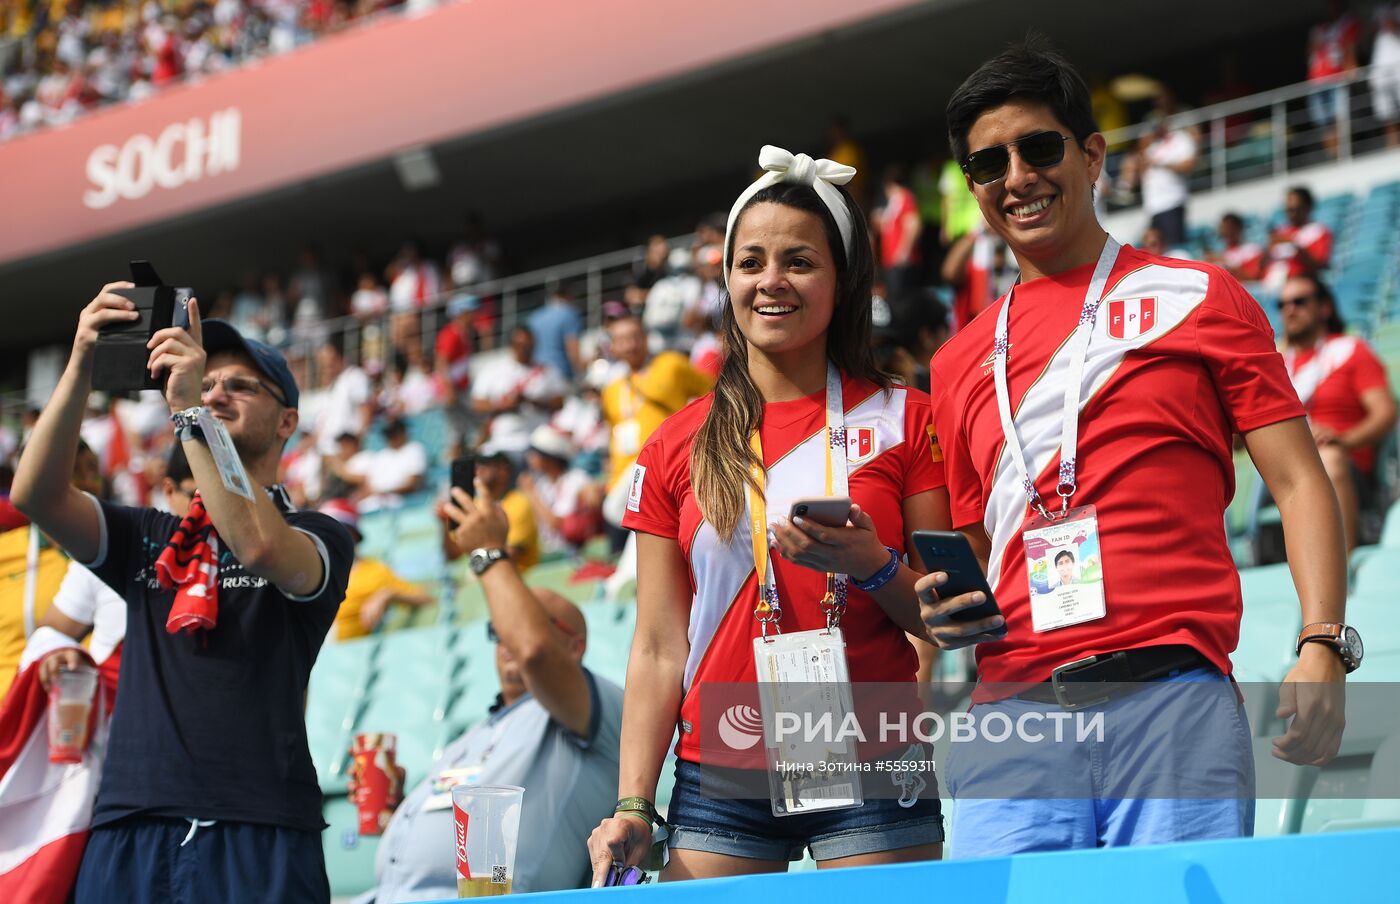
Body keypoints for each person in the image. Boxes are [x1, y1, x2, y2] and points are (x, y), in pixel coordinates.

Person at [923, 37, 1351, 858]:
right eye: (988, 164)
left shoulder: (1202, 294)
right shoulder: (956, 360)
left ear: (1092, 156)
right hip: (1012, 719)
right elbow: (976, 545)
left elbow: (1298, 482)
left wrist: (1323, 642)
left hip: (1172, 701)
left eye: (1039, 148)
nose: (1016, 177)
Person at [587, 145, 945, 884]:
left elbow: (944, 617)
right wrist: (632, 800)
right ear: (726, 278)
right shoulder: (674, 442)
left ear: (842, 281)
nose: (771, 281)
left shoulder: (908, 420)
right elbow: (657, 645)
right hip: (720, 764)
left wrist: (873, 567)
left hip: (877, 751)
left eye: (799, 262)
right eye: (751, 262)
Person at [11, 293, 354, 902]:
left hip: (258, 826)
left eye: (239, 385)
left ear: (286, 422)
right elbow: (36, 492)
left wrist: (194, 410)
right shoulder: (151, 536)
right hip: (130, 826)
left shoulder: (317, 534)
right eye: (208, 380)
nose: (217, 391)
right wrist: (82, 363)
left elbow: (256, 544)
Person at [359, 477, 623, 901]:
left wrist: (487, 552)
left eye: (525, 619)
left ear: (576, 645)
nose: (508, 635)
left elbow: (534, 650)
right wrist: (401, 815)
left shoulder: (594, 706)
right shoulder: (474, 733)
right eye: (499, 627)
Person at [1277, 275, 1396, 551]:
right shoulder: (1278, 363)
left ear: (1324, 308)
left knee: (1327, 459)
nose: (1289, 310)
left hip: (1343, 464)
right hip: (1287, 469)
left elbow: (1385, 413)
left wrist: (1343, 440)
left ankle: (1340, 575)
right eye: (1281, 304)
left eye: (1299, 301)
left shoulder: (1351, 349)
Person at [598, 314, 713, 547]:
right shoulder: (611, 390)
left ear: (646, 338)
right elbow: (614, 434)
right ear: (613, 347)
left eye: (635, 337)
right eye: (622, 340)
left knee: (618, 510)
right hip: (628, 469)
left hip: (668, 458)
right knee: (618, 512)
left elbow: (714, 390)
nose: (630, 345)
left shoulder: (670, 364)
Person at [0, 441, 100, 700]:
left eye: (92, 469)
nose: (90, 482)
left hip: (90, 711)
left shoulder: (120, 548)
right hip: (13, 718)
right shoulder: (5, 550)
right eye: (75, 471)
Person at [319, 498, 435, 640]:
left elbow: (426, 598)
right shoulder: (308, 572)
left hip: (345, 655)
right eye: (321, 531)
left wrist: (387, 595)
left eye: (335, 530)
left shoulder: (374, 571)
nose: (326, 537)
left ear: (353, 535)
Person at [470, 325, 568, 460]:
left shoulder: (547, 371)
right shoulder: (493, 369)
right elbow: (477, 404)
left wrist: (529, 401)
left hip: (537, 442)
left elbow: (560, 402)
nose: (525, 349)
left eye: (529, 345)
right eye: (520, 345)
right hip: (502, 441)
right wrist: (503, 406)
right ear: (511, 345)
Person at [440, 448, 539, 572]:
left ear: (504, 470)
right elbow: (453, 554)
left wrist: (478, 563)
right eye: (478, 463)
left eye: (486, 464)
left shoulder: (519, 503)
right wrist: (444, 521)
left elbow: (510, 555)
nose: (479, 468)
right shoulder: (473, 505)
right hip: (483, 580)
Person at [1136, 88, 1197, 250]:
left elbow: (1189, 164)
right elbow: (1141, 170)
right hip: (1153, 206)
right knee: (1155, 251)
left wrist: (1162, 165)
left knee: (1175, 250)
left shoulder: (1181, 140)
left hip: (1172, 202)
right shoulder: (1152, 148)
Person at [1306, 0, 1359, 158]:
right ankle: (1333, 155)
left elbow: (1350, 46)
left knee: (1340, 118)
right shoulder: (1319, 29)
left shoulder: (1346, 24)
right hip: (1317, 81)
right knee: (1324, 123)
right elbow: (1310, 51)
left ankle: (1343, 154)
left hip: (1336, 79)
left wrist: (1351, 66)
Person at [343, 417, 428, 512]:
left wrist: (383, 492)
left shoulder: (414, 449)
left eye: (394, 433)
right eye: (388, 434)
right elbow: (369, 483)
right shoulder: (382, 455)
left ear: (403, 432)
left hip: (398, 499)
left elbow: (412, 484)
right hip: (374, 499)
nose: (391, 438)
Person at [1263, 186, 1332, 291]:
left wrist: (1293, 244)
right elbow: (1264, 265)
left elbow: (1318, 264)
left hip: (1301, 286)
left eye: (1295, 209)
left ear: (1307, 207)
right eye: (1288, 210)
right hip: (1273, 287)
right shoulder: (1280, 232)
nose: (1291, 214)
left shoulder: (1319, 231)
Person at [435, 292, 480, 443]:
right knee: (456, 435)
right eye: (471, 312)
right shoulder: (451, 334)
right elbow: (441, 362)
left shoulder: (463, 334)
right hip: (454, 392)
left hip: (460, 390)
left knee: (463, 433)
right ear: (461, 314)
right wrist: (448, 389)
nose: (474, 316)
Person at [874, 164, 923, 299]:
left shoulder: (905, 198)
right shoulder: (894, 202)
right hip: (891, 261)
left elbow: (913, 225)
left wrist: (904, 251)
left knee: (903, 300)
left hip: (901, 260)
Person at [528, 284, 584, 381]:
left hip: (537, 374)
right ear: (568, 296)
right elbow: (573, 351)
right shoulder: (569, 313)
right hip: (560, 375)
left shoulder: (534, 317)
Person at [1373, 6, 1400, 148]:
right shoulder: (1379, 11)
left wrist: (1392, 20)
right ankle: (1393, 144)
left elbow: (1393, 26)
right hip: (1382, 73)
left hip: (1398, 67)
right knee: (1388, 114)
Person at [1210, 212, 1263, 282]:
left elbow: (1252, 277)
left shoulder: (1252, 250)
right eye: (1223, 229)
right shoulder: (1222, 254)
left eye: (1229, 228)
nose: (1225, 232)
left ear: (1238, 229)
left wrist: (1226, 263)